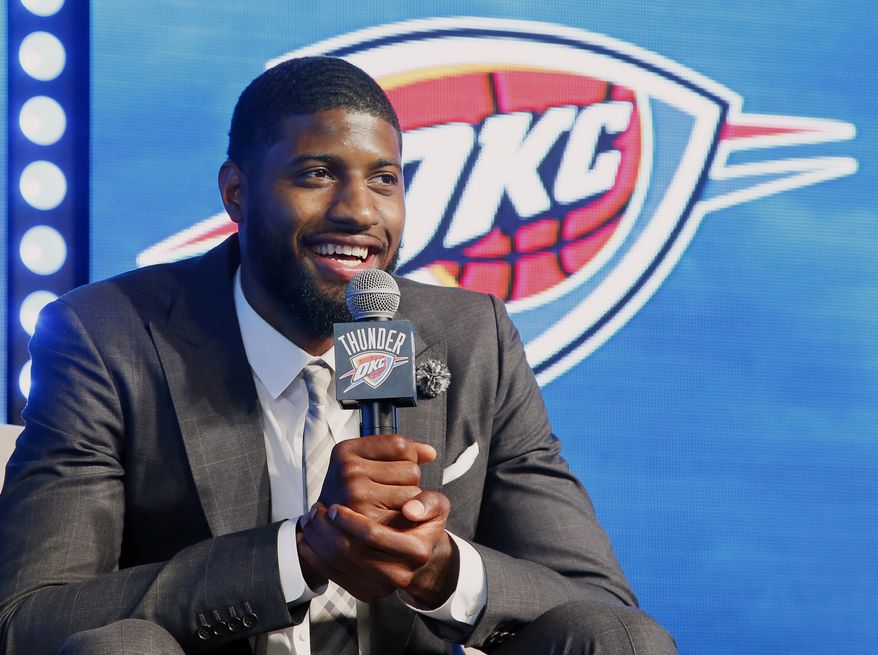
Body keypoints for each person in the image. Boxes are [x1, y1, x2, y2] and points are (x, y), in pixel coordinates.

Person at [0, 56, 676, 654]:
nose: (359, 211)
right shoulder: (106, 336)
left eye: (384, 179)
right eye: (317, 174)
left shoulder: (474, 337)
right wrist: (294, 554)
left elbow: (602, 605)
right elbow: (30, 620)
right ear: (235, 192)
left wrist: (443, 570)